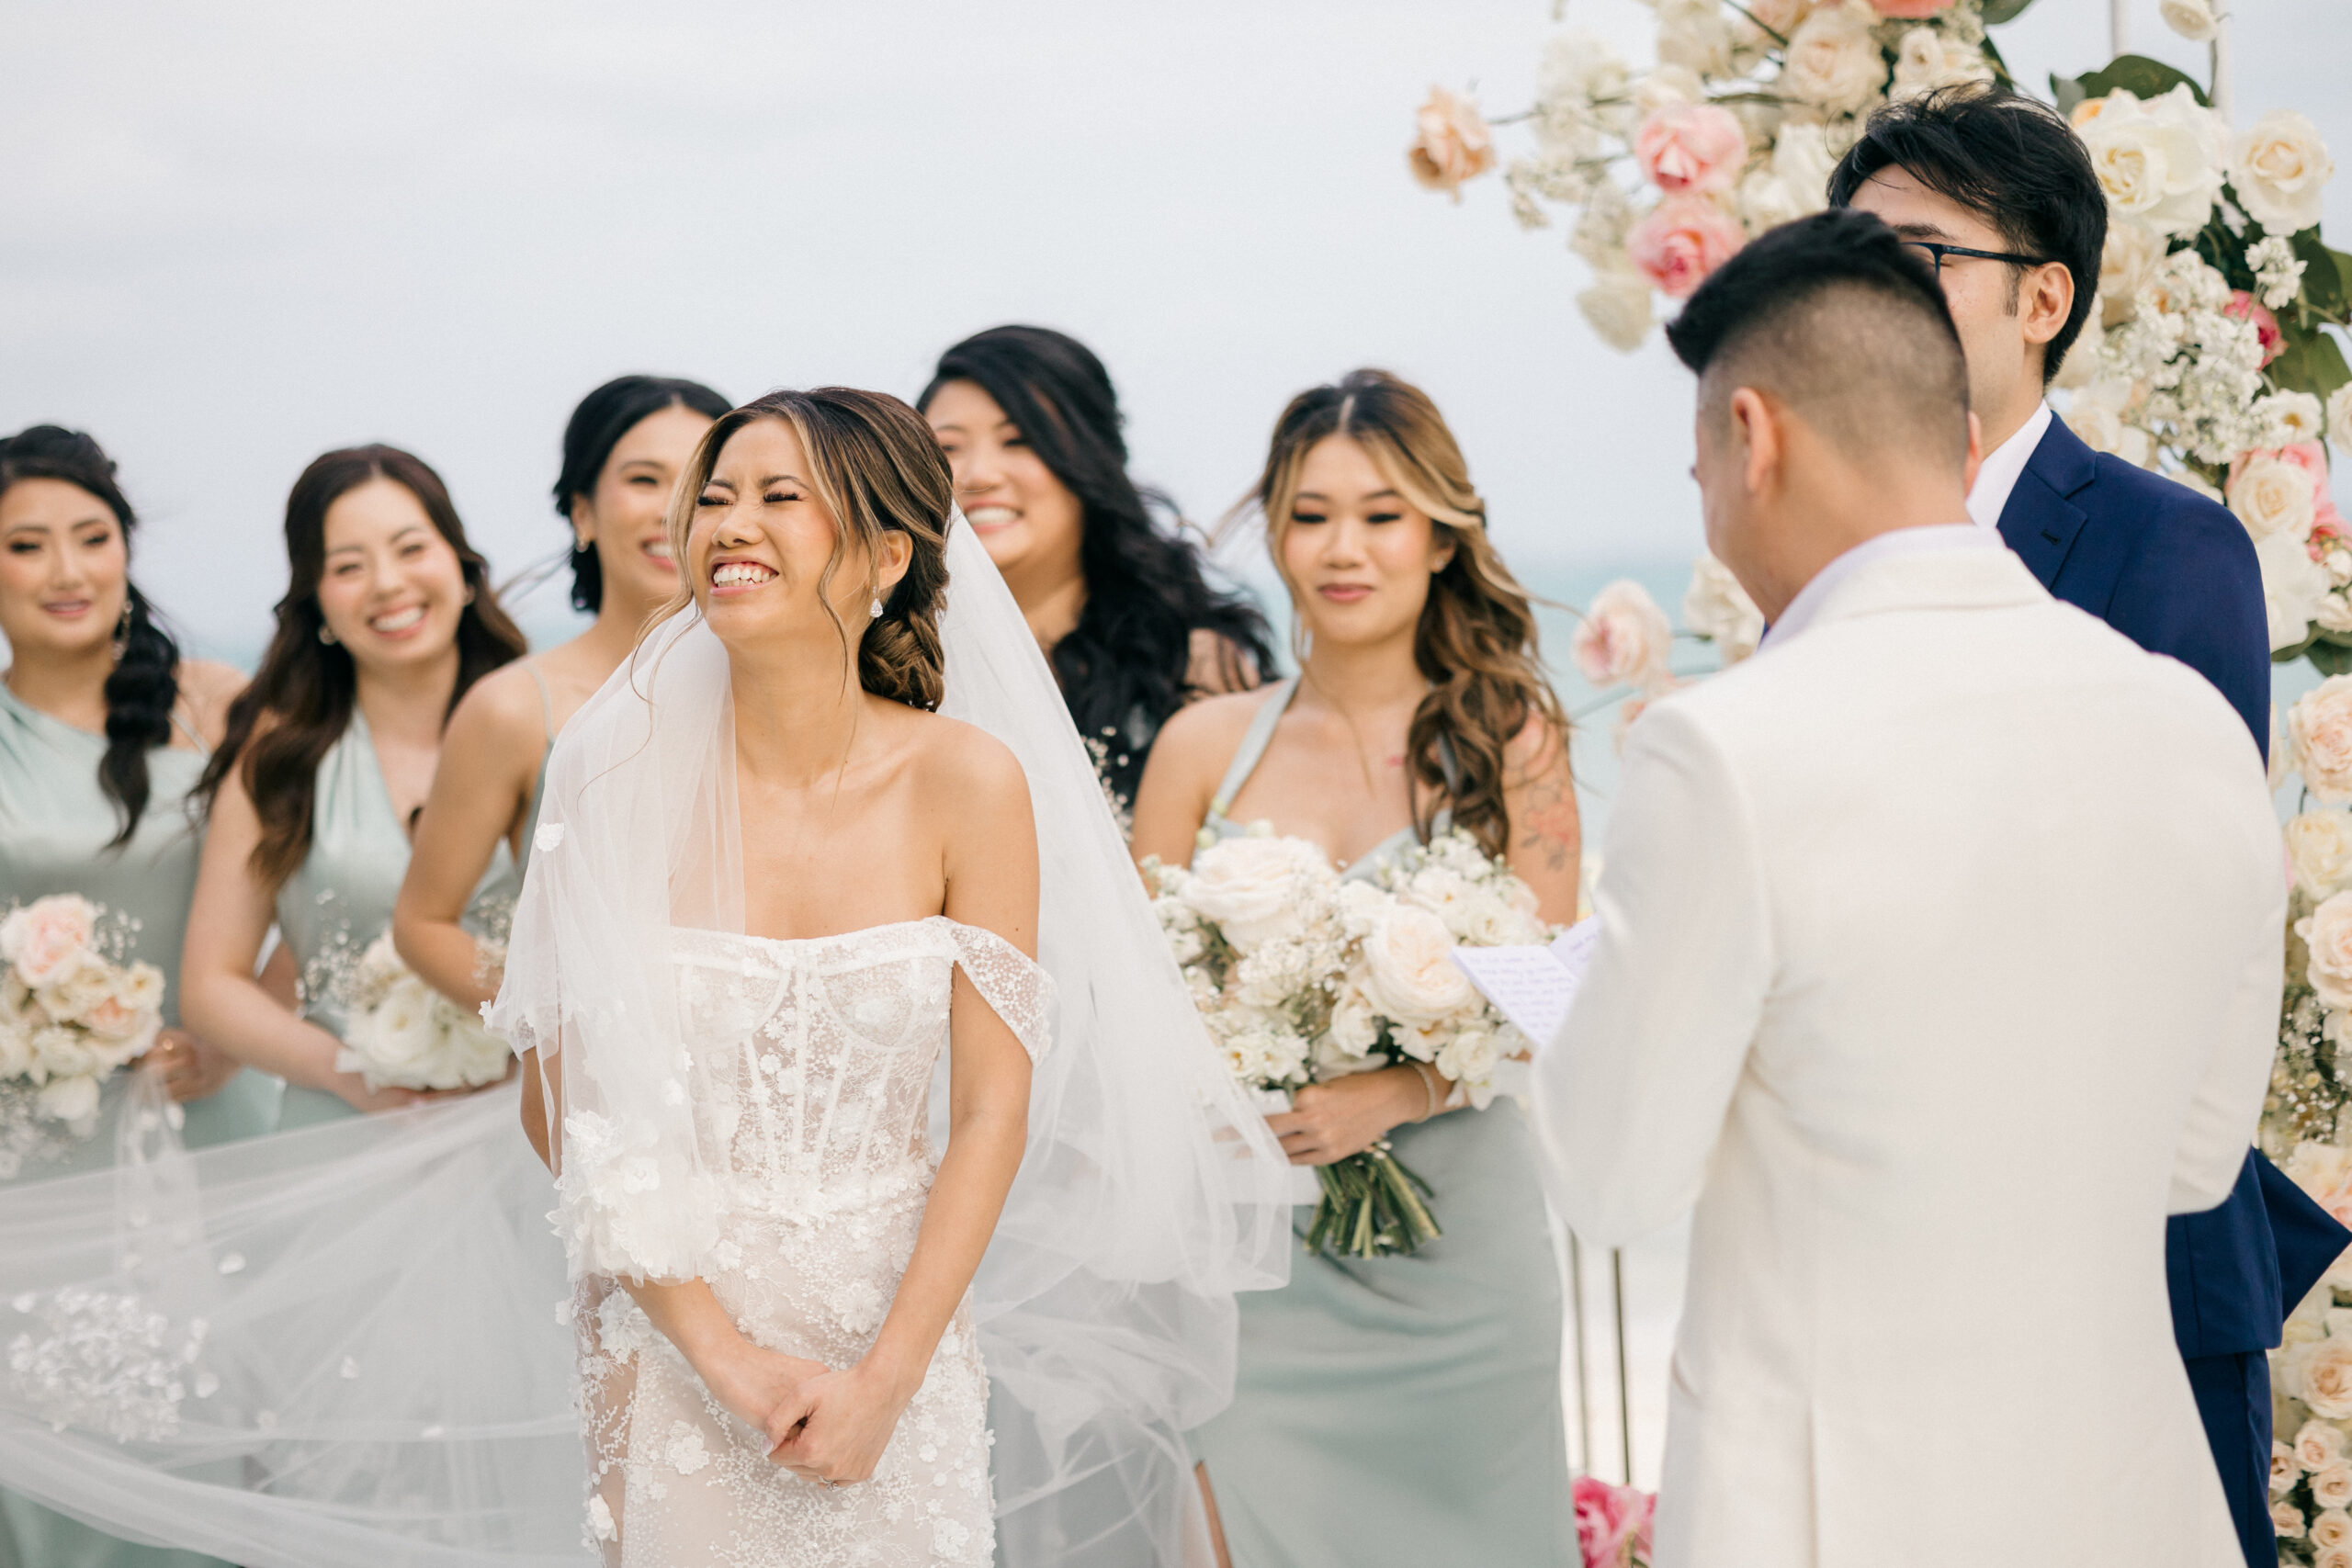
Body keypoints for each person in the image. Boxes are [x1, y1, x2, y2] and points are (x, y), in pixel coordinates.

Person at [1532, 208, 2283, 1566]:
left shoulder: (1728, 751)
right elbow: (2196, 1157)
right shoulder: (2192, 728)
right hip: (2132, 1500)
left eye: (1698, 459)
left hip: (1835, 1512)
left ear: (1752, 437)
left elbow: (1610, 1175)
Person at [487, 388, 1292, 1566]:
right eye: (712, 498)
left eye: (778, 498)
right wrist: (724, 1356)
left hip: (893, 1326)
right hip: (668, 1335)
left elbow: (989, 1108)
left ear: (884, 552)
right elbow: (560, 1100)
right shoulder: (610, 780)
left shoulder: (970, 782)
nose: (729, 524)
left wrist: (887, 1379)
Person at [1830, 85, 2349, 1568]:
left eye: (1918, 258)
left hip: (2130, 1259)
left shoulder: (2162, 542)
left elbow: (2174, 908)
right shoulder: (1837, 562)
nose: (1870, 297)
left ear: (2043, 296)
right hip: (1900, 1266)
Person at [1130, 368, 1579, 1568]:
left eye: (1381, 514)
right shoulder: (1202, 745)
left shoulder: (1512, 737)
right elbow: (1134, 1005)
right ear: (1274, 531)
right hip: (1252, 1264)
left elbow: (1551, 989)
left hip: (1461, 1269)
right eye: (1311, 513)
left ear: (1441, 535)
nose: (1344, 547)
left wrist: (1402, 1089)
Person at [0, 427, 276, 1568]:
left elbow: (310, 886)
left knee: (230, 1414)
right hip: (33, 1146)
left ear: (126, 548)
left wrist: (243, 1013)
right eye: (27, 546)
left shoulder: (217, 707)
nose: (67, 571)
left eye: (91, 539)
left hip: (213, 1122)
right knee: (50, 1430)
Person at [183, 445, 527, 1128]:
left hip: (523, 1128)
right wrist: (351, 1075)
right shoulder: (278, 759)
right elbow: (210, 985)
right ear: (316, 604)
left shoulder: (544, 731)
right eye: (348, 567)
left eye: (410, 549)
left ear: (462, 572)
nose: (388, 584)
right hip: (342, 1132)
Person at [393, 374, 727, 1012]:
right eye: (644, 479)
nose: (675, 508)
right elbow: (423, 924)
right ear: (582, 511)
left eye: (703, 484)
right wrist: (580, 1024)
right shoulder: (513, 707)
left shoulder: (781, 685)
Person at [920, 325, 1274, 820]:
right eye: (949, 447)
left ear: (1089, 457)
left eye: (1018, 441)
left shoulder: (1188, 664)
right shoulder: (889, 655)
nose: (979, 475)